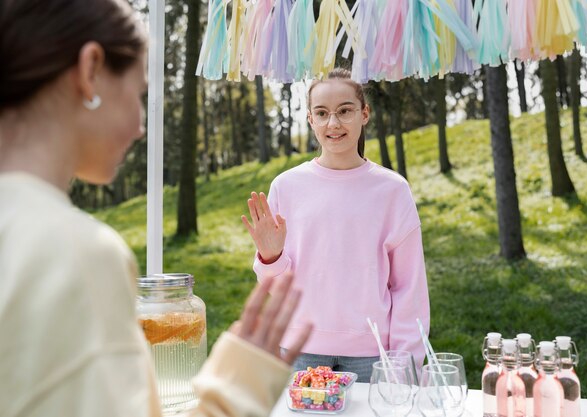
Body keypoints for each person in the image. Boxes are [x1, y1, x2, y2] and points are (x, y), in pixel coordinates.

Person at [0, 1, 310, 416]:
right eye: (138, 93)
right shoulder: (76, 251)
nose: (140, 124)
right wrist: (239, 386)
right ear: (91, 69)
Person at [242, 68, 430, 383]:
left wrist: (405, 363)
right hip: (298, 350)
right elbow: (275, 288)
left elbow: (409, 288)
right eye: (322, 113)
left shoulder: (393, 190)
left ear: (364, 113)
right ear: (311, 120)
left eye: (344, 111)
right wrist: (271, 259)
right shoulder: (286, 187)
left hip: (374, 356)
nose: (334, 123)